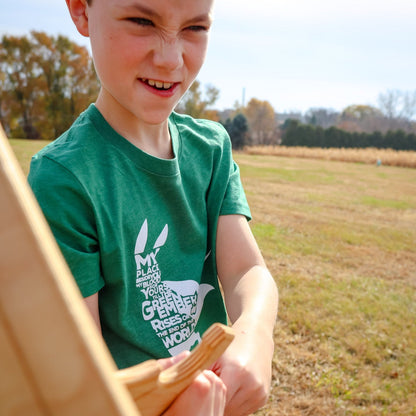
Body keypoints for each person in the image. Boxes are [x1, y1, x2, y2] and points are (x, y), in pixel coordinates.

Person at [28, 0, 278, 415]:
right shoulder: (64, 178)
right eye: (142, 21)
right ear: (81, 11)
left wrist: (255, 336)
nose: (170, 58)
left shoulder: (211, 149)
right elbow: (81, 374)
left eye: (195, 28)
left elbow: (246, 270)